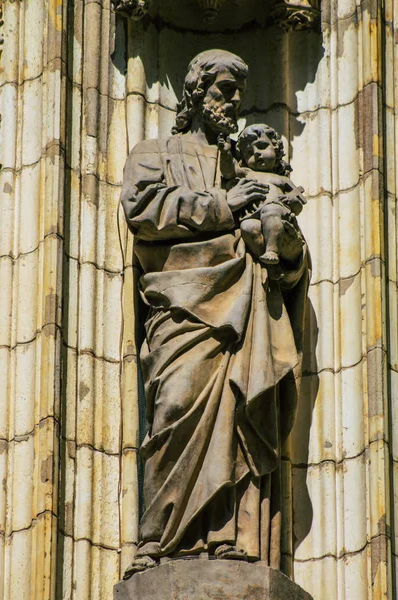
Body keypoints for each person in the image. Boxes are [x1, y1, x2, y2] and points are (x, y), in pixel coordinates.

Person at [121, 49, 310, 578]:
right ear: (195, 92)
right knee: (176, 406)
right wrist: (224, 205)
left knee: (241, 413)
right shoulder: (155, 152)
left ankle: (235, 538)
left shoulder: (249, 165)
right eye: (223, 90)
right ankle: (159, 539)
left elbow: (288, 258)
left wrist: (289, 250)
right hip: (181, 308)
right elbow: (144, 210)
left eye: (237, 93)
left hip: (247, 309)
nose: (231, 102)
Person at [217, 124, 306, 279]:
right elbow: (229, 171)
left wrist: (291, 199)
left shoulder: (281, 179)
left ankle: (272, 250)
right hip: (253, 214)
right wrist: (225, 153)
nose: (257, 154)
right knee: (247, 227)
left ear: (276, 149)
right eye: (249, 153)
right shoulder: (247, 173)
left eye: (262, 146)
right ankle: (270, 265)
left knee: (270, 212)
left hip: (275, 211)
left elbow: (298, 201)